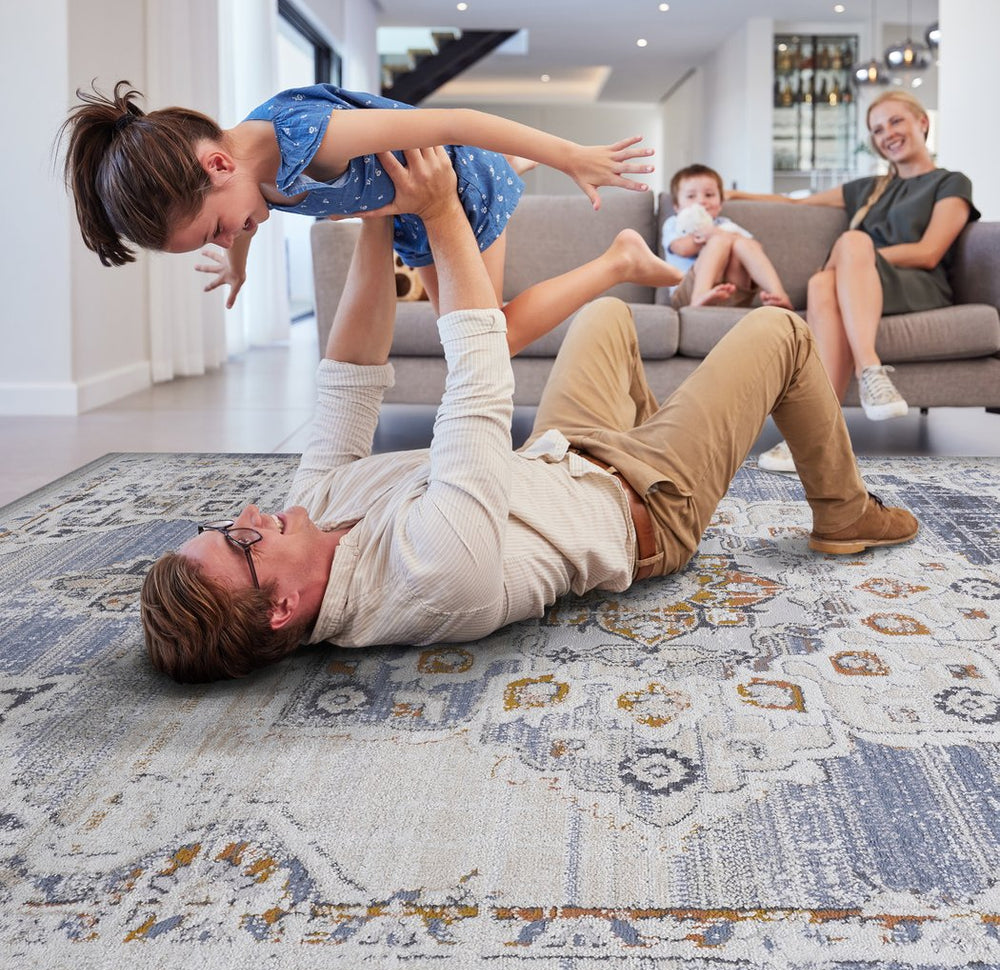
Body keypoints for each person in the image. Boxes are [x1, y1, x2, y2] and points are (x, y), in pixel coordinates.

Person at [140, 146, 919, 684]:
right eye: (240, 540)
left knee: (606, 321)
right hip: (645, 505)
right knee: (781, 332)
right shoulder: (431, 575)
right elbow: (478, 384)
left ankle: (668, 428)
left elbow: (348, 380)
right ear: (282, 609)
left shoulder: (306, 518)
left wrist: (379, 213)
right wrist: (441, 215)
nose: (250, 513)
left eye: (225, 522)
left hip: (564, 455)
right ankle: (845, 514)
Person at [60, 80, 676, 356]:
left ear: (218, 164)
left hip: (452, 188)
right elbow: (253, 217)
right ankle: (509, 166)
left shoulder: (311, 137)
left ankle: (618, 256)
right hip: (408, 211)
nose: (232, 234)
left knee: (493, 341)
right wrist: (237, 263)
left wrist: (572, 155)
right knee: (476, 335)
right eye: (213, 241)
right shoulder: (249, 175)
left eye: (218, 230)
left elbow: (454, 121)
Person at [727, 90, 979, 474]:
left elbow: (929, 251)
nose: (887, 134)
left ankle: (870, 369)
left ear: (922, 123)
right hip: (857, 284)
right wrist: (734, 195)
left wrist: (855, 258)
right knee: (819, 284)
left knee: (852, 243)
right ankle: (815, 432)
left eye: (896, 121)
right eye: (877, 130)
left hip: (916, 284)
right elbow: (796, 204)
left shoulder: (950, 182)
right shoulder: (868, 188)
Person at [662, 163, 793, 310]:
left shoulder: (724, 224)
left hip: (732, 293)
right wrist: (708, 236)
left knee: (741, 243)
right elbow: (681, 248)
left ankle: (778, 293)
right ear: (677, 206)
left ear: (720, 204)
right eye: (691, 196)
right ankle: (700, 294)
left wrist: (722, 234)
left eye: (709, 195)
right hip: (688, 293)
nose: (701, 201)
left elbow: (755, 248)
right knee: (720, 240)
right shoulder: (674, 223)